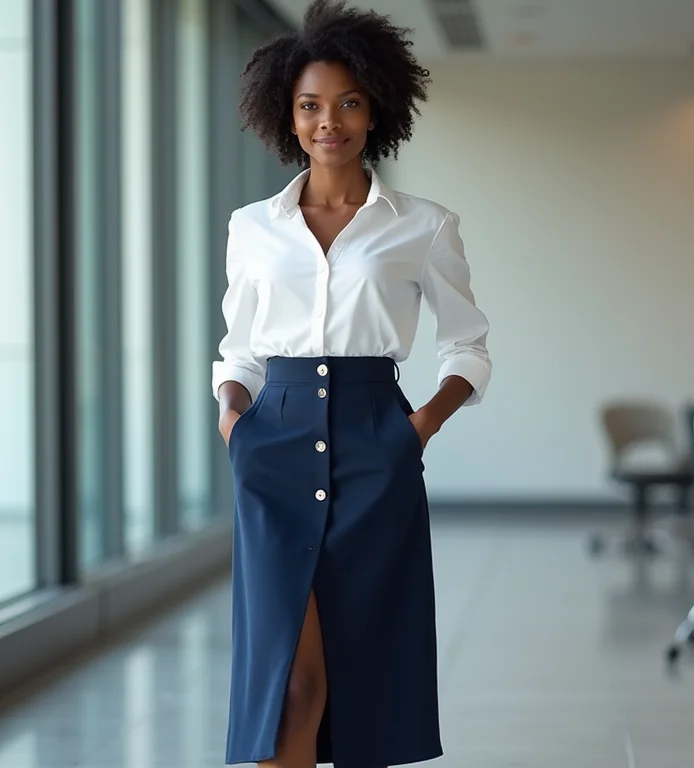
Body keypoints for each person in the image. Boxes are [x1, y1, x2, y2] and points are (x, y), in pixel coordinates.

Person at [211, 2, 491, 766]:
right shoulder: (252, 227)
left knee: (363, 677)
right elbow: (239, 348)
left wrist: (419, 426)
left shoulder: (424, 225)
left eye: (346, 103)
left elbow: (468, 345)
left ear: (375, 110)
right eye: (309, 105)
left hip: (377, 447)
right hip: (272, 446)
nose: (326, 121)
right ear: (287, 116)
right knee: (289, 684)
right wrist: (235, 418)